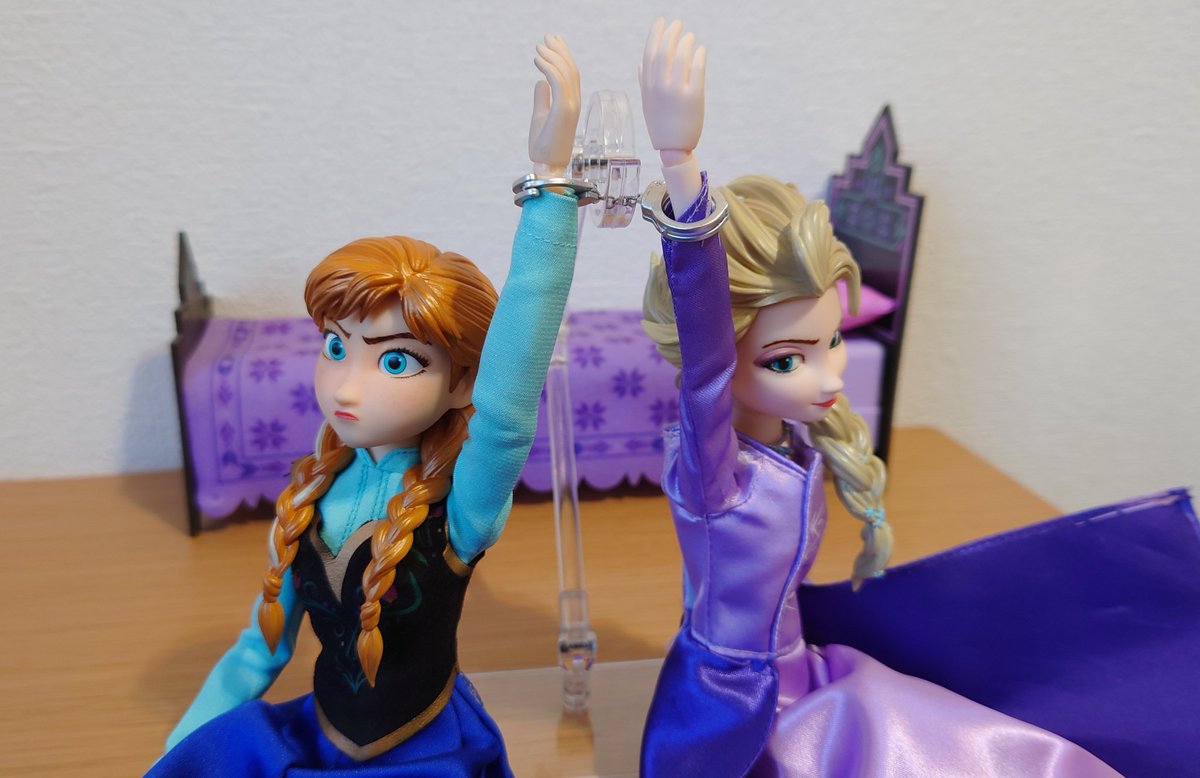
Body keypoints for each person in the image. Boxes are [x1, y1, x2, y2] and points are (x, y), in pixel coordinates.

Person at [636, 18, 1122, 777]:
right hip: (736, 702)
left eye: (832, 341)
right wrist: (680, 169)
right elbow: (704, 362)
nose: (830, 376)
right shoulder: (715, 474)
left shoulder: (790, 442)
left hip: (801, 672)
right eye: (787, 359)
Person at [151, 34, 587, 776]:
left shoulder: (461, 508)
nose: (347, 387)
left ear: (460, 382)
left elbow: (511, 395)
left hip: (426, 751)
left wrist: (550, 187)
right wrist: (178, 752)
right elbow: (258, 651)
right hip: (319, 740)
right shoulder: (308, 498)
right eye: (335, 346)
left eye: (394, 361)